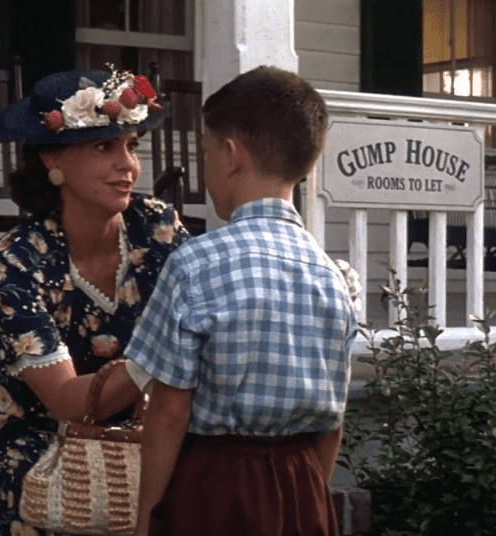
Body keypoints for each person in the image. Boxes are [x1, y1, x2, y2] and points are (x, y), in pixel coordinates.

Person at [125, 66, 359, 536]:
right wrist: (308, 492)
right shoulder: (334, 278)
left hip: (214, 487)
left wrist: (147, 511)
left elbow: (170, 409)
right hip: (303, 483)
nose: (205, 167)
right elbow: (332, 423)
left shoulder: (195, 265)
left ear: (231, 155)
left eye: (207, 151)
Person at [0, 66, 190, 536]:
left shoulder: (156, 226)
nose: (128, 165)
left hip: (137, 435)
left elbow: (207, 307)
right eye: (104, 147)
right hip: (41, 448)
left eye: (132, 145)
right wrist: (167, 346)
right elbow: (68, 401)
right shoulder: (15, 261)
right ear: (52, 160)